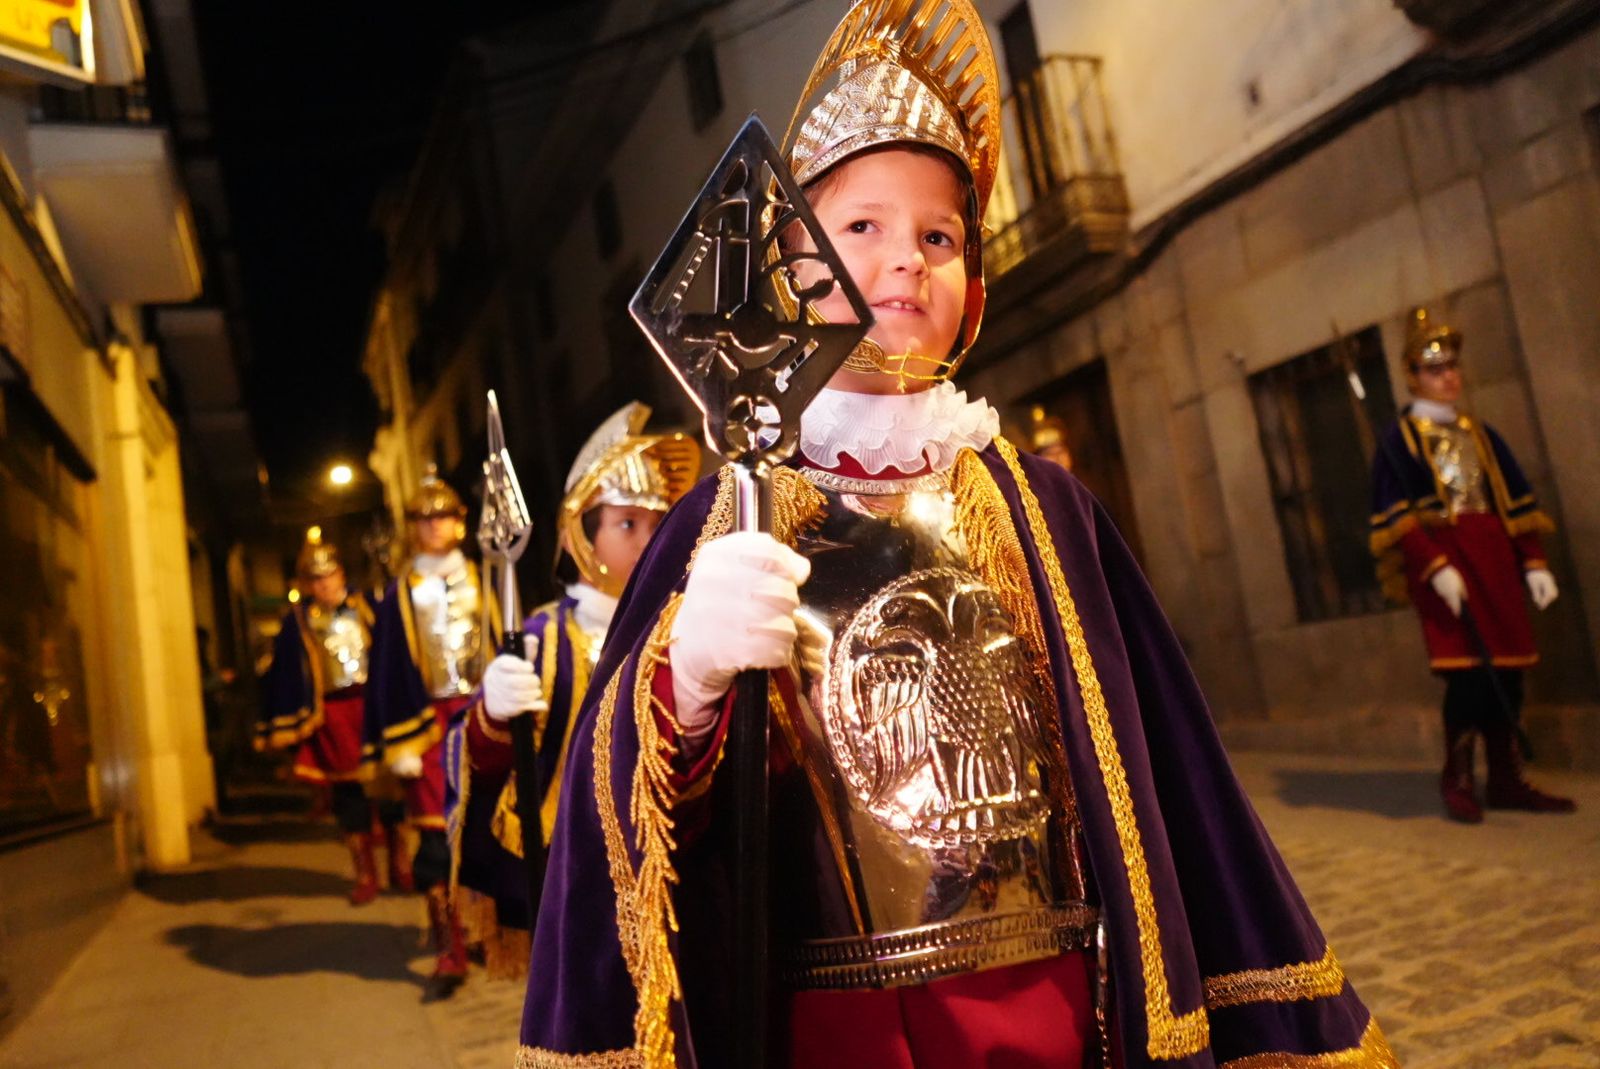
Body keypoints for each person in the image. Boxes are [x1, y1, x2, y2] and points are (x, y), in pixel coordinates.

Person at [518, 2, 1395, 1065]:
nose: (905, 262)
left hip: (1053, 996)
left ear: (970, 281)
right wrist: (684, 676)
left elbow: (1166, 776)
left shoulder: (1043, 504)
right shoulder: (727, 516)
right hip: (832, 1021)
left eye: (938, 236)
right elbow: (634, 818)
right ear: (790, 266)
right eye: (863, 227)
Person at [450, 402, 699, 978]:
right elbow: (481, 761)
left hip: (677, 858)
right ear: (582, 536)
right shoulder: (545, 635)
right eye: (626, 524)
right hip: (578, 864)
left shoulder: (684, 621)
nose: (647, 540)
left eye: (658, 524)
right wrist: (493, 711)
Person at [1369, 307, 1573, 824]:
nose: (1449, 377)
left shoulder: (1483, 435)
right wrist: (1435, 566)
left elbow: (1517, 502)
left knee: (1509, 678)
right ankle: (1457, 776)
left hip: (1494, 564)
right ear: (1413, 376)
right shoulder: (1399, 442)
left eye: (1453, 367)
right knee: (1469, 681)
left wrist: (1534, 563)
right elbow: (1397, 515)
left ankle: (1506, 778)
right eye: (1435, 370)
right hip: (1448, 567)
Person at [364, 466, 489, 996]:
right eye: (424, 518)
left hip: (487, 717)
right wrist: (400, 745)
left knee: (489, 834)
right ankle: (449, 949)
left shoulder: (487, 576)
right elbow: (389, 670)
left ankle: (492, 935)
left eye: (444, 516)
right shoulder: (399, 592)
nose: (434, 525)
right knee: (437, 846)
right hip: (428, 730)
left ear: (460, 522)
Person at [255, 528, 408, 903]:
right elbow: (287, 673)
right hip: (334, 716)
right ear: (307, 583)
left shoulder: (369, 604)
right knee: (350, 796)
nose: (323, 584)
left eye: (329, 575)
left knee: (390, 790)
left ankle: (400, 865)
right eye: (315, 579)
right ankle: (365, 874)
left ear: (341, 573)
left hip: (375, 708)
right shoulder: (298, 621)